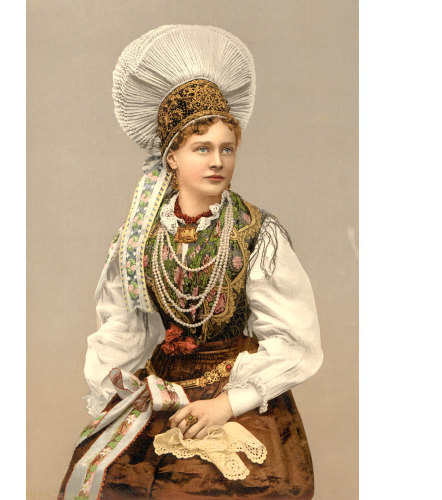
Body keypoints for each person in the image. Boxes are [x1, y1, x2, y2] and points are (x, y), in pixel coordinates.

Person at [58, 25, 323, 500]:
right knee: (108, 481)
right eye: (202, 148)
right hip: (162, 395)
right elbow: (124, 329)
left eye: (227, 148)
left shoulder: (257, 233)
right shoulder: (137, 239)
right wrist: (109, 397)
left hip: (239, 397)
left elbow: (294, 341)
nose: (218, 161)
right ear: (173, 158)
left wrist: (227, 404)